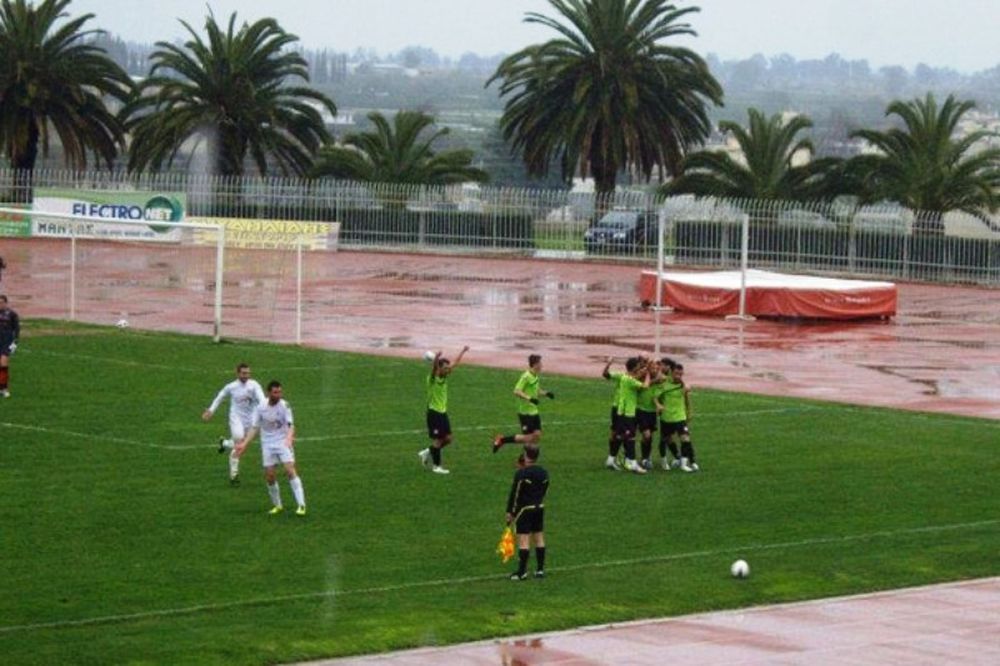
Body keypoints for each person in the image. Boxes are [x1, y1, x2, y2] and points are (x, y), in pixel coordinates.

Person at [238, 380, 306, 515]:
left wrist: (289, 438)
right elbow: (254, 428)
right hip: (267, 444)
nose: (278, 395)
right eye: (275, 392)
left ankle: (301, 505)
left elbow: (291, 425)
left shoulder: (285, 405)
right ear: (268, 393)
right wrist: (244, 444)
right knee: (270, 476)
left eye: (280, 392)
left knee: (290, 470)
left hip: (283, 442)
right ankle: (278, 505)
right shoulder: (260, 407)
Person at [202, 363, 266, 485]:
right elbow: (220, 397)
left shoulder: (254, 385)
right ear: (237, 373)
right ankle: (234, 474)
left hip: (251, 418)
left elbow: (262, 398)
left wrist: (265, 410)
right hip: (236, 417)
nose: (246, 375)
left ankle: (224, 443)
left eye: (248, 373)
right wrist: (211, 410)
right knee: (238, 438)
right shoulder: (231, 387)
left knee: (242, 444)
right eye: (244, 373)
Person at [418, 345, 470, 475]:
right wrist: (436, 358)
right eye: (445, 368)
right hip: (434, 413)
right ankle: (436, 466)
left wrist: (462, 351)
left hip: (442, 413)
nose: (448, 370)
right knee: (438, 440)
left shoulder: (444, 377)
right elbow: (434, 368)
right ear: (439, 368)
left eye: (448, 368)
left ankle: (428, 452)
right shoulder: (432, 379)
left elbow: (455, 364)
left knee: (448, 439)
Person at [493, 354, 554, 453]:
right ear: (535, 364)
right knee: (528, 438)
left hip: (534, 411)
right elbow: (516, 391)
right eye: (540, 363)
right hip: (525, 412)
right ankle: (502, 440)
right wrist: (529, 398)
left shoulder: (535, 376)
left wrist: (546, 393)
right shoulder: (526, 376)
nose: (542, 365)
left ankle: (522, 458)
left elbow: (536, 391)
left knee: (536, 436)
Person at [506, 445, 549, 580]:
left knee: (524, 540)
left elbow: (516, 494)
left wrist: (510, 512)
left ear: (525, 455)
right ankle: (540, 570)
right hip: (539, 506)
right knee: (539, 537)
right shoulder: (543, 472)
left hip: (525, 509)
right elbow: (545, 489)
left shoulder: (522, 473)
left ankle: (522, 572)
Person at [655, 362, 698, 472]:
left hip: (680, 417)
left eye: (680, 374)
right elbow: (655, 397)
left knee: (685, 439)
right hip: (667, 417)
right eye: (676, 374)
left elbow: (686, 398)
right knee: (665, 440)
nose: (678, 376)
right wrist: (658, 405)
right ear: (671, 373)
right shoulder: (664, 384)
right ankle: (664, 461)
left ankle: (684, 464)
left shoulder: (683, 385)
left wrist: (689, 412)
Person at [614, 357, 651, 474]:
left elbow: (635, 377)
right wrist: (648, 374)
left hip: (622, 411)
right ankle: (632, 463)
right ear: (634, 367)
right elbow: (645, 386)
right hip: (628, 413)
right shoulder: (630, 380)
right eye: (638, 366)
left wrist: (643, 370)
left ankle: (620, 458)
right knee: (631, 438)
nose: (639, 367)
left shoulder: (625, 377)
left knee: (623, 436)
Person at [600, 356, 623, 470]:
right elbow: (605, 374)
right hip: (618, 408)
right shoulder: (622, 376)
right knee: (616, 433)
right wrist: (608, 364)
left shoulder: (640, 377)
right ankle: (612, 456)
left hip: (629, 409)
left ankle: (614, 457)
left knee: (623, 434)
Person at [0, 295, 20, 398]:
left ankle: (4, 388)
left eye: (2, 303)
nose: (0, 305)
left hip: (6, 343)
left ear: (6, 303)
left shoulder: (12, 314)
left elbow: (17, 329)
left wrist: (15, 342)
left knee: (3, 365)